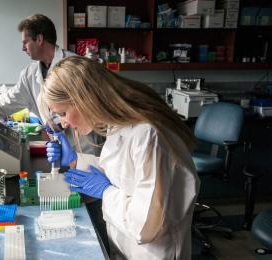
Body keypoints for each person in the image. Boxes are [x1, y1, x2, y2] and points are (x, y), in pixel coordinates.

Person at [0, 14, 109, 252]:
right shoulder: (30, 75)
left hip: (89, 144)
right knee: (68, 203)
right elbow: (4, 103)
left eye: (25, 41)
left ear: (40, 39)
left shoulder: (78, 67)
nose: (22, 47)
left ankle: (102, 246)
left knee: (95, 203)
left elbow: (97, 111)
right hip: (62, 150)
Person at [41, 56, 200, 259]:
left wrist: (105, 192)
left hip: (153, 251)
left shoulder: (148, 134)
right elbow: (125, 174)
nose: (63, 123)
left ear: (84, 98)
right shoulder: (119, 125)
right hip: (125, 244)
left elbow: (146, 225)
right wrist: (75, 160)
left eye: (63, 113)